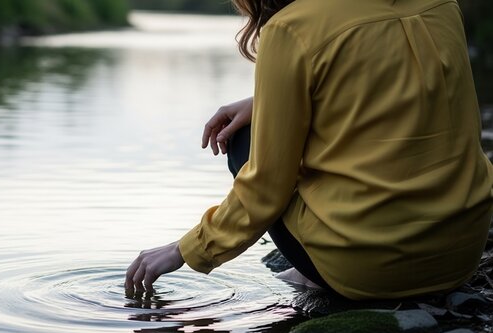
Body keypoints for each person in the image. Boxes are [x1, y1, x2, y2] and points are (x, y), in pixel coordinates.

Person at [125, 0, 493, 300]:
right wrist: (264, 101)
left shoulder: (292, 27)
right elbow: (401, 92)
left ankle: (320, 274)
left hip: (372, 270)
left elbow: (266, 187)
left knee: (243, 140)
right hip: (459, 254)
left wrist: (186, 249)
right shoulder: (442, 4)